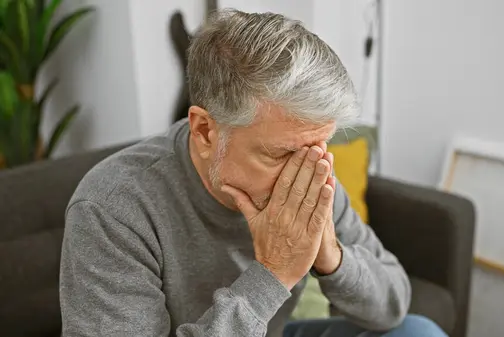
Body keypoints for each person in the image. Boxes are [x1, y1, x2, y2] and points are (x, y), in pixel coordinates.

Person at [59, 9, 447, 337]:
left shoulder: (310, 169)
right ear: (206, 131)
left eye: (317, 149)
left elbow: (394, 303)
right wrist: (274, 274)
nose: (303, 175)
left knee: (418, 332)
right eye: (279, 155)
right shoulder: (111, 206)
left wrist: (331, 257)